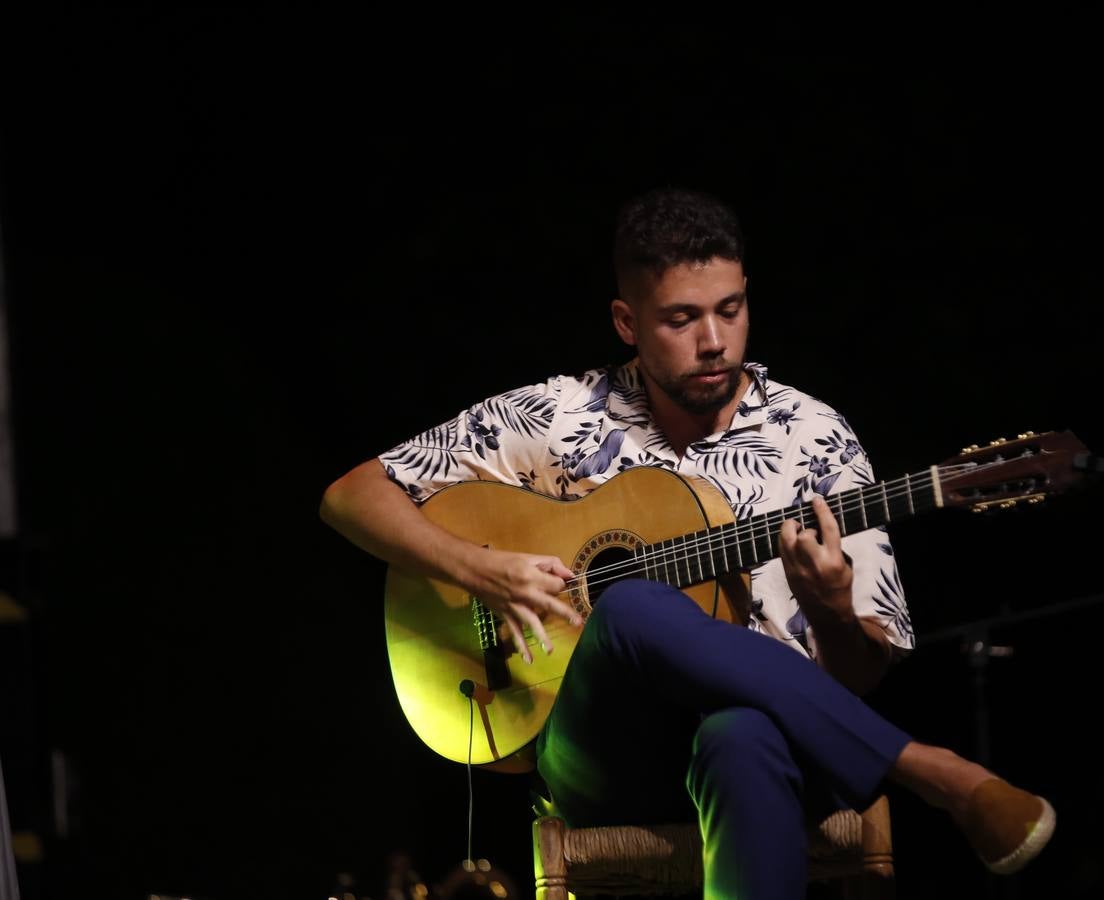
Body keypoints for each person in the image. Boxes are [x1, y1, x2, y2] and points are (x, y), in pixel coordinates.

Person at [320, 188, 1055, 898]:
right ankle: (933, 770)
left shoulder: (814, 438)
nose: (714, 341)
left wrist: (830, 608)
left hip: (788, 752)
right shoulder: (559, 415)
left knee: (740, 738)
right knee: (633, 604)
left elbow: (858, 678)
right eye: (681, 318)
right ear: (626, 321)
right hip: (607, 755)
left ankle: (915, 768)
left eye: (729, 311)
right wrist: (482, 569)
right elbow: (350, 496)